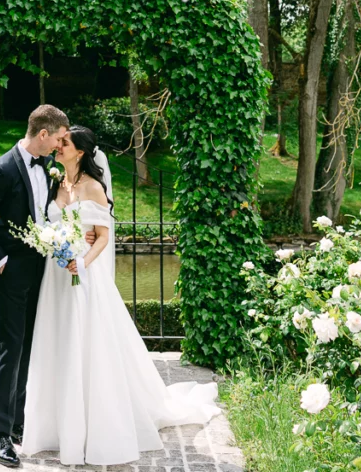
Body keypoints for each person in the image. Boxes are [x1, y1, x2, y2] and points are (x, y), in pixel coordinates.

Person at [20, 125, 220, 465]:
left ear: (79, 152)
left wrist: (81, 262)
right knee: (56, 340)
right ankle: (53, 421)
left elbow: (101, 237)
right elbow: (44, 222)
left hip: (83, 275)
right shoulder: (56, 182)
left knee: (86, 343)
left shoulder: (94, 187)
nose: (58, 146)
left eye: (64, 143)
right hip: (55, 278)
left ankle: (91, 420)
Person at [0, 104, 71, 469]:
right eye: (58, 139)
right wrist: (0, 261)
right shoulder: (2, 168)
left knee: (27, 345)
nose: (60, 146)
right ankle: (0, 436)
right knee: (9, 349)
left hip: (39, 269)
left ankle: (18, 422)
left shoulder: (46, 169)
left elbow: (37, 214)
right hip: (10, 271)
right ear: (43, 134)